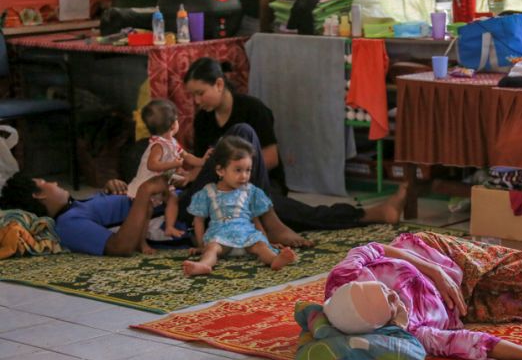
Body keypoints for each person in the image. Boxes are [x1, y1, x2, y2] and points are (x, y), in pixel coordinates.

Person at [179, 57, 407, 234]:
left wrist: (235, 175)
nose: (197, 101)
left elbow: (270, 159)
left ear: (219, 84)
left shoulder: (252, 110)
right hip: (219, 191)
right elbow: (202, 164)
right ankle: (268, 219)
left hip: (257, 184)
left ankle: (372, 214)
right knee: (194, 207)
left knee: (290, 209)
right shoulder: (203, 119)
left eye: (201, 93)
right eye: (193, 96)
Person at [324, 231, 522, 360]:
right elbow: (475, 343)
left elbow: (376, 247)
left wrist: (436, 272)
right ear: (383, 323)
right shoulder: (408, 332)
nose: (394, 294)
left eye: (384, 288)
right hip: (461, 304)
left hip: (434, 256)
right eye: (391, 303)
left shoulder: (345, 275)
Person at [184, 135, 296, 276]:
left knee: (260, 246)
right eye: (238, 170)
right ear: (220, 170)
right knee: (211, 249)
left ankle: (274, 260)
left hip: (247, 236)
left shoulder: (250, 191)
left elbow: (255, 219)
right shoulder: (208, 192)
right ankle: (204, 265)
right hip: (220, 237)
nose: (244, 176)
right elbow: (198, 220)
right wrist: (201, 246)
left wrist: (266, 241)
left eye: (247, 170)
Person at [0, 172, 168, 256]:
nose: (55, 183)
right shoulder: (68, 224)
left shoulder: (75, 207)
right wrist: (144, 192)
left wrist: (112, 189)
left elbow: (110, 213)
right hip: (174, 216)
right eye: (46, 182)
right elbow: (120, 246)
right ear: (39, 195)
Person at [127, 99, 207, 238]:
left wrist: (203, 161)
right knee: (147, 211)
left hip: (163, 181)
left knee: (173, 198)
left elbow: (187, 156)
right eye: (176, 120)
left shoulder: (173, 142)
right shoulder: (158, 145)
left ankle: (169, 227)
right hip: (147, 184)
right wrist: (174, 165)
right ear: (172, 125)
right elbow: (152, 165)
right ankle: (141, 239)